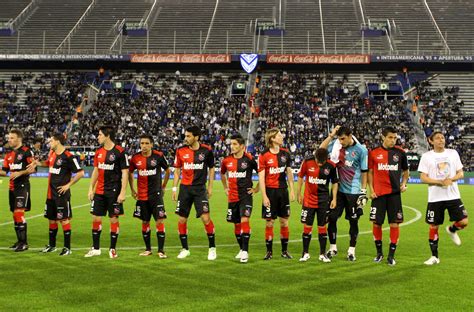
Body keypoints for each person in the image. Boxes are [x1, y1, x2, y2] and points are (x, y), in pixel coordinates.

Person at [418, 131, 468, 265]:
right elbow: (423, 177)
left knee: (463, 222)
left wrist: (450, 179)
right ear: (431, 141)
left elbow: (461, 173)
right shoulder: (427, 156)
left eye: (442, 138)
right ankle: (434, 256)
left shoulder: (453, 153)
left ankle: (452, 230)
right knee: (433, 225)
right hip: (435, 197)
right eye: (438, 138)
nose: (441, 140)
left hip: (453, 195)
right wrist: (439, 182)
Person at [320, 125, 368, 261]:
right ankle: (333, 248)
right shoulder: (337, 148)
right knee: (332, 219)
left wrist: (363, 192)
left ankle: (351, 251)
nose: (341, 142)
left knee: (353, 221)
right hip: (337, 192)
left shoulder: (361, 150)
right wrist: (331, 136)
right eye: (339, 139)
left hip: (353, 192)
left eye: (343, 139)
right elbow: (321, 150)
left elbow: (365, 172)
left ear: (350, 136)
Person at [31, 133, 84, 256]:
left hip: (61, 195)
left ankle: (67, 248)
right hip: (50, 194)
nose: (49, 143)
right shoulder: (52, 154)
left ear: (57, 142)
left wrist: (68, 185)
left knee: (63, 220)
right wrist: (37, 163)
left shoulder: (68, 156)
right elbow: (47, 164)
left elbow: (80, 173)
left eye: (51, 141)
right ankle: (52, 246)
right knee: (51, 220)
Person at [172, 125, 217, 260]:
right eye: (185, 136)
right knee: (181, 219)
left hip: (199, 189)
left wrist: (210, 187)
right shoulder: (180, 151)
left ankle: (212, 248)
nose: (186, 138)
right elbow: (177, 170)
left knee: (205, 218)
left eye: (188, 136)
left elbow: (211, 168)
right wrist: (174, 188)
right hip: (185, 189)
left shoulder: (207, 151)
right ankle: (185, 249)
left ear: (196, 137)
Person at [84, 126, 129, 259]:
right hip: (99, 191)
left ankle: (112, 249)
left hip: (114, 192)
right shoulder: (99, 152)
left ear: (107, 135)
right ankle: (96, 248)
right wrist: (90, 188)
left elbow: (125, 172)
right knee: (95, 218)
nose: (98, 137)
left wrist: (123, 192)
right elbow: (96, 170)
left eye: (100, 134)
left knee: (113, 218)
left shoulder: (120, 152)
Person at [368, 126, 409, 266]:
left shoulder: (400, 153)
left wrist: (404, 183)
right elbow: (370, 173)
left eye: (395, 137)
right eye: (390, 137)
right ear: (383, 137)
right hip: (378, 195)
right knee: (376, 223)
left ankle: (391, 256)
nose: (393, 140)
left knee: (394, 224)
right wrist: (371, 189)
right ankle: (379, 253)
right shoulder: (373, 152)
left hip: (394, 195)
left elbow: (406, 171)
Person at [129, 134, 170, 257]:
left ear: (151, 144)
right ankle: (148, 249)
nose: (144, 146)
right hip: (142, 195)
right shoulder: (135, 158)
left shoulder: (158, 156)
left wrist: (163, 186)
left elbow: (168, 170)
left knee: (159, 221)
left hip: (156, 195)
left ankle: (161, 250)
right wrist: (132, 189)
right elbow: (130, 172)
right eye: (142, 143)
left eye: (147, 143)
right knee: (145, 222)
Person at [221, 134, 259, 263]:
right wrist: (225, 187)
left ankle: (245, 252)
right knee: (236, 225)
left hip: (245, 196)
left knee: (244, 221)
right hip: (232, 197)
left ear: (242, 146)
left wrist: (256, 189)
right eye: (231, 144)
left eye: (235, 144)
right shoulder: (226, 160)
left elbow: (262, 173)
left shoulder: (249, 159)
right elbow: (222, 173)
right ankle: (242, 249)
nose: (232, 146)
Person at [258, 128, 295, 260]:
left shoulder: (285, 153)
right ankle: (269, 252)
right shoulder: (263, 155)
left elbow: (289, 173)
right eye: (279, 135)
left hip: (283, 191)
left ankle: (284, 251)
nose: (282, 137)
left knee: (284, 222)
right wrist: (264, 196)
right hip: (270, 191)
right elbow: (261, 178)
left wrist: (292, 190)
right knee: (269, 222)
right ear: (272, 138)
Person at [296, 148, 338, 263]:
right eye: (318, 161)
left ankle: (322, 254)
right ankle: (305, 253)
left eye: (322, 162)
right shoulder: (307, 161)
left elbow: (335, 183)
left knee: (322, 227)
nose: (319, 164)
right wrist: (298, 193)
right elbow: (300, 177)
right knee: (307, 227)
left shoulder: (331, 166)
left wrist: (334, 198)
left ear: (326, 159)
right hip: (308, 201)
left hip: (323, 202)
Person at [0, 129, 36, 252]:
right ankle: (19, 241)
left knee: (19, 213)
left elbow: (32, 169)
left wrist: (20, 172)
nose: (9, 140)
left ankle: (24, 243)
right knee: (15, 216)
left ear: (19, 139)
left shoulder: (26, 152)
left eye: (12, 138)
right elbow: (4, 171)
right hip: (12, 188)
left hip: (22, 187)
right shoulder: (9, 155)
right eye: (9, 138)